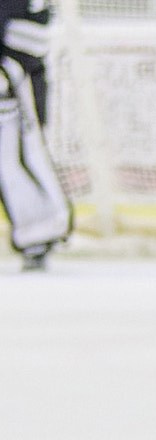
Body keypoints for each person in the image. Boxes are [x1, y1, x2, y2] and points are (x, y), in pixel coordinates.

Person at [1, 0, 70, 269]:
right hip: (18, 80)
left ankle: (40, 232)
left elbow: (31, 37)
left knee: (15, 156)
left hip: (15, 85)